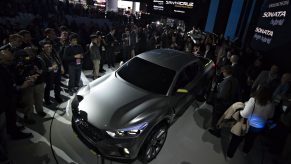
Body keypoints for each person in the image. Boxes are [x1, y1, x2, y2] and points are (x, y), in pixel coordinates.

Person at [226, 86, 275, 158]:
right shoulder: (271, 104)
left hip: (247, 124)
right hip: (259, 127)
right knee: (250, 140)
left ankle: (229, 155)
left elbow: (245, 114)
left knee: (236, 139)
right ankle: (245, 152)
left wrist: (241, 110)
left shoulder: (253, 100)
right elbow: (271, 116)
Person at [0, 45, 33, 140]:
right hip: (5, 100)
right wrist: (22, 87)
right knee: (8, 116)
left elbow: (13, 78)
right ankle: (14, 133)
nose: (11, 54)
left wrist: (26, 78)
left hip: (10, 98)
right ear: (2, 57)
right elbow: (5, 89)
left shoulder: (7, 66)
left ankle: (13, 128)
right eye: (6, 52)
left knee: (11, 115)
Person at [209, 65, 240, 137]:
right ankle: (218, 130)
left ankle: (216, 131)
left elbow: (221, 95)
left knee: (217, 117)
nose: (222, 73)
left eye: (223, 72)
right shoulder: (235, 80)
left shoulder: (227, 82)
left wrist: (214, 93)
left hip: (221, 104)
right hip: (228, 103)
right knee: (222, 118)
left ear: (226, 72)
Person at [40, 39, 63, 104]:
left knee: (57, 86)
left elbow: (59, 61)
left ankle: (57, 97)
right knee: (48, 87)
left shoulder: (53, 53)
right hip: (48, 74)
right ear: (43, 48)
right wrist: (52, 68)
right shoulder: (41, 57)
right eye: (47, 47)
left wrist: (61, 67)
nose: (49, 48)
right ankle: (47, 100)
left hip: (57, 73)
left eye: (50, 46)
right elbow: (43, 69)